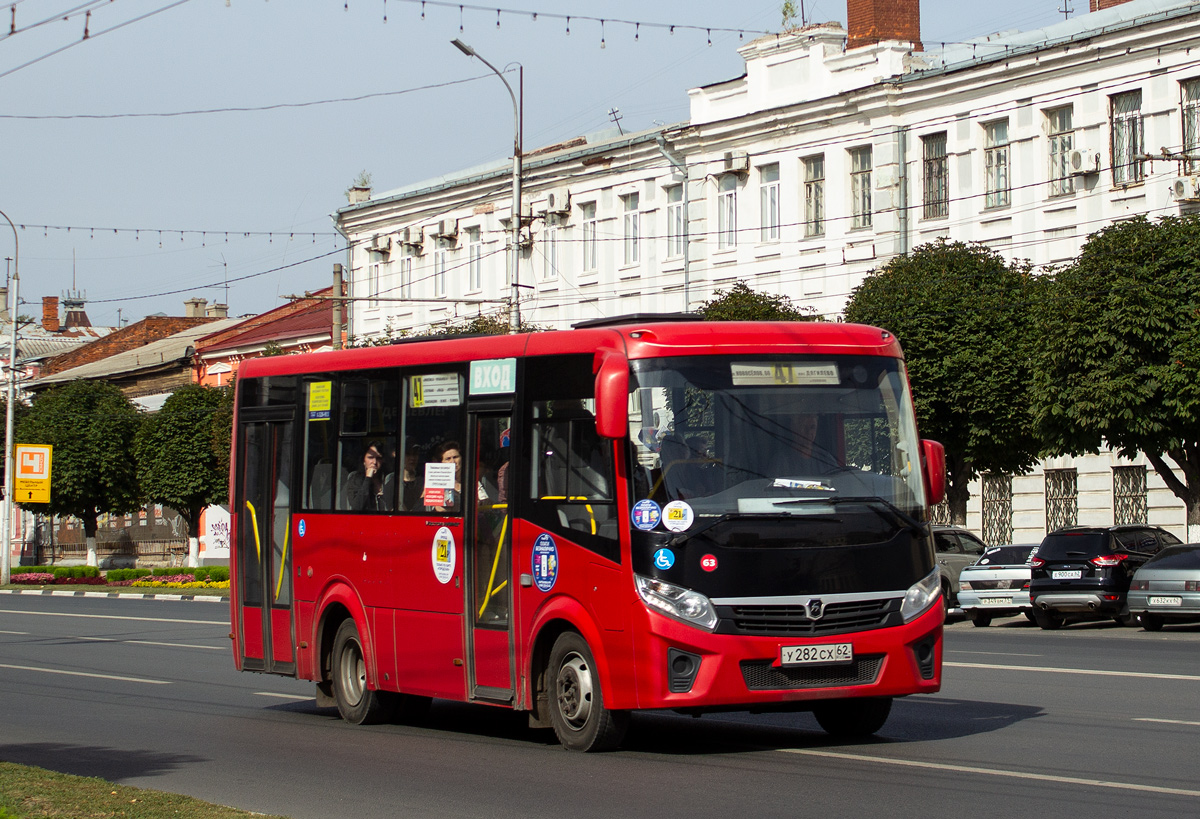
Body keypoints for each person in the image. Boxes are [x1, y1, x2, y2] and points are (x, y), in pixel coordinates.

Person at [344, 440, 392, 511]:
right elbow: (357, 507)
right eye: (370, 457)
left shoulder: (389, 478)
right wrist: (368, 478)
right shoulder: (355, 479)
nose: (374, 462)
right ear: (364, 461)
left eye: (378, 458)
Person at [430, 440, 463, 512]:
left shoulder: (473, 483)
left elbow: (486, 502)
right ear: (441, 463)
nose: (453, 462)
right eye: (448, 459)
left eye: (455, 457)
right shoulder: (434, 484)